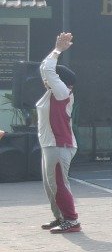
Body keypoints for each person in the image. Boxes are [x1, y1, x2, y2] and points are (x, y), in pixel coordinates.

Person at [38, 33, 81, 235]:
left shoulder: (63, 92)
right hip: (50, 145)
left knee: (59, 185)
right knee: (50, 186)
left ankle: (72, 220)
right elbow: (44, 68)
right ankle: (61, 218)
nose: (47, 79)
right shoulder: (53, 92)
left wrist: (57, 50)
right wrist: (54, 52)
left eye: (53, 77)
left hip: (59, 145)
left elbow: (47, 69)